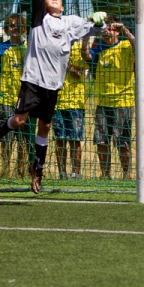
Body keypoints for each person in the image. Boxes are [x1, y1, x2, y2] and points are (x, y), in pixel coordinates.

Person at [0, 0, 107, 193]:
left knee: (45, 127)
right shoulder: (38, 20)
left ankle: (38, 170)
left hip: (54, 86)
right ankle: (1, 131)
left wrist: (98, 20)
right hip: (32, 81)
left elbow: (96, 30)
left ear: (61, 5)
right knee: (20, 121)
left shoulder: (70, 23)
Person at [88, 17, 136, 180]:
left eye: (111, 29)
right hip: (103, 103)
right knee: (101, 141)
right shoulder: (98, 49)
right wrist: (89, 32)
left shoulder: (125, 46)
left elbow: (140, 48)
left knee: (122, 141)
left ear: (117, 31)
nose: (107, 32)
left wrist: (125, 30)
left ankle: (127, 174)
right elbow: (86, 55)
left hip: (123, 102)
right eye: (105, 29)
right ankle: (105, 174)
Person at [0, 14, 30, 178]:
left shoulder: (28, 47)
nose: (15, 28)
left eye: (19, 26)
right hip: (5, 99)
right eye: (11, 25)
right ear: (6, 29)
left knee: (24, 140)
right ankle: (4, 170)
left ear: (24, 29)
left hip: (24, 100)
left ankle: (21, 171)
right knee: (6, 138)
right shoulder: (0, 48)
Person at [52, 38, 90, 180]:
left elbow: (80, 73)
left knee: (75, 139)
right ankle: (62, 173)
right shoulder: (52, 49)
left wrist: (64, 63)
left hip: (75, 103)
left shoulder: (79, 49)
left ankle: (76, 172)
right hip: (56, 102)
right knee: (60, 138)